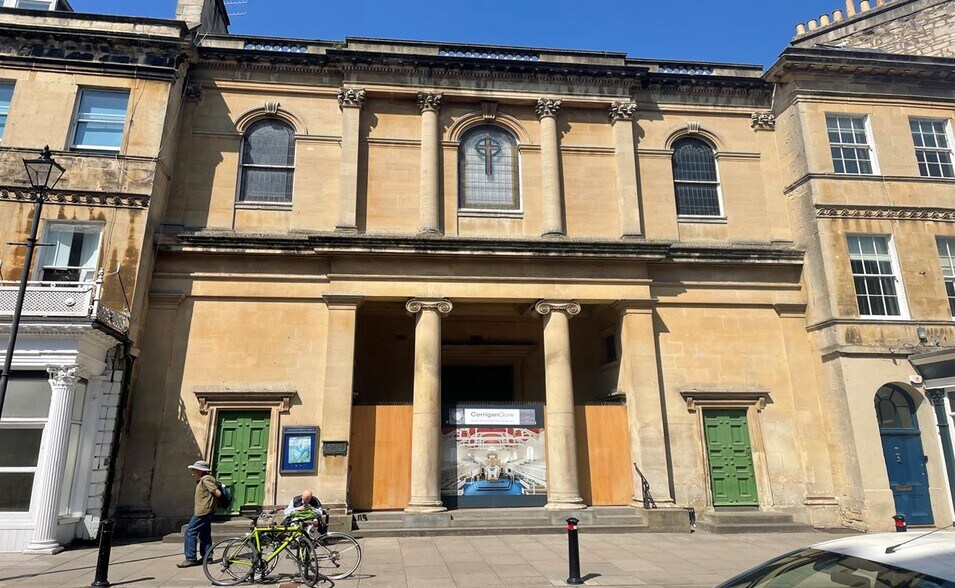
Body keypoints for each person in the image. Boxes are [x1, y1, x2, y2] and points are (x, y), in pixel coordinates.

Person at [178, 460, 221, 568]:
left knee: (190, 532)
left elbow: (217, 493)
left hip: (203, 511)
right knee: (204, 533)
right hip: (206, 510)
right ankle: (208, 557)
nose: (193, 471)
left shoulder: (206, 479)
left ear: (201, 470)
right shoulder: (204, 479)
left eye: (195, 469)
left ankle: (190, 558)